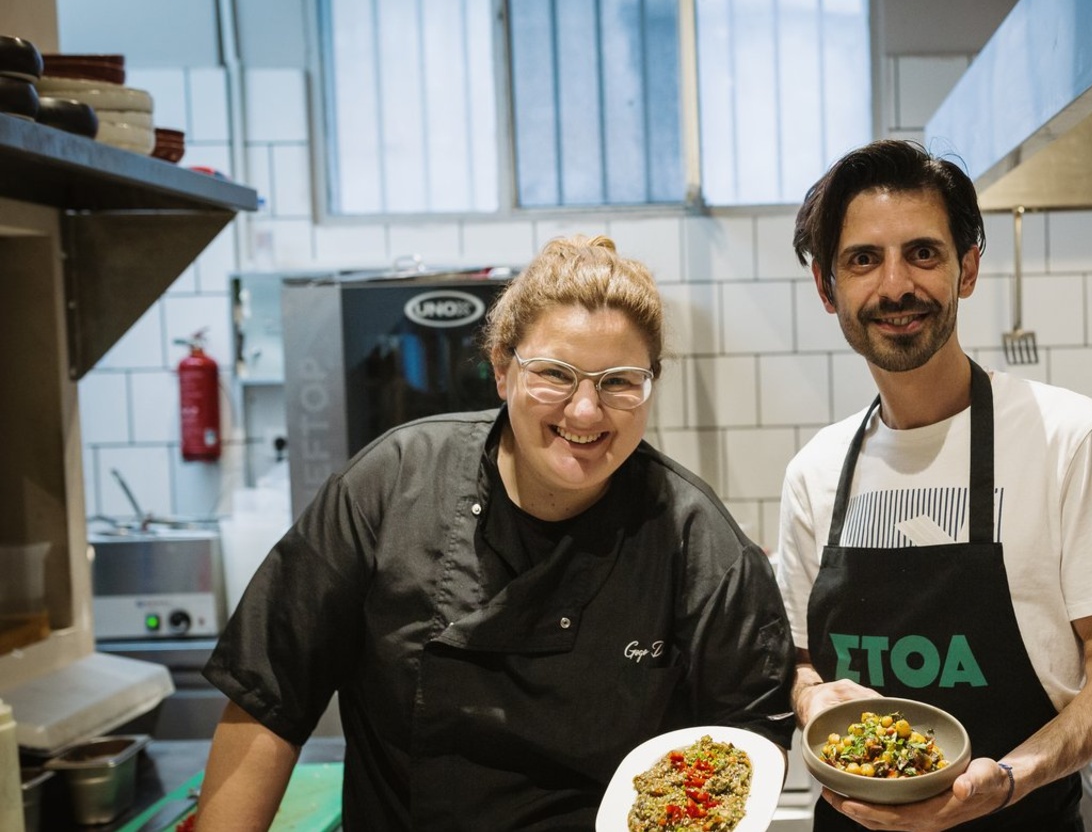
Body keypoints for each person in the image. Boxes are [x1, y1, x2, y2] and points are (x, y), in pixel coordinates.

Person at [197, 236, 795, 831]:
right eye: (555, 374)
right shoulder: (391, 485)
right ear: (502, 371)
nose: (585, 411)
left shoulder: (700, 543)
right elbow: (269, 700)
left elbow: (744, 747)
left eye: (619, 381)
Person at [778, 140, 1092, 831]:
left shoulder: (1070, 438)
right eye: (864, 259)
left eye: (922, 253)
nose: (896, 286)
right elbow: (804, 666)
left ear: (968, 268)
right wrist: (812, 703)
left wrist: (1013, 778)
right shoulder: (815, 470)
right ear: (827, 288)